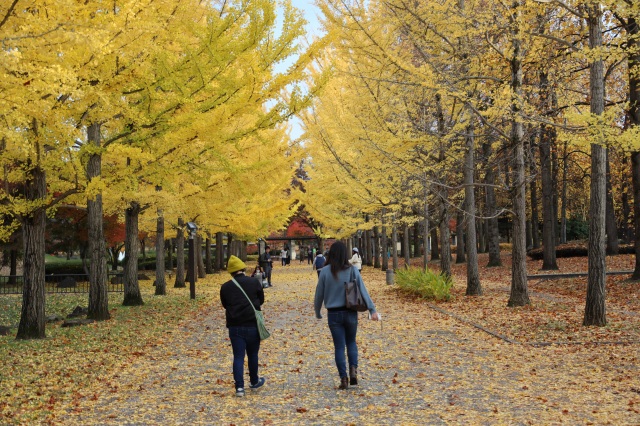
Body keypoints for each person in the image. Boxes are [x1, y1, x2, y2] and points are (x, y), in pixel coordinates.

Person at [314, 241, 380, 390]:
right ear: (346, 254)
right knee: (351, 342)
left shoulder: (324, 272)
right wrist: (372, 310)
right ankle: (353, 370)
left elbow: (319, 294)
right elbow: (363, 290)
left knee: (339, 346)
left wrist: (317, 311)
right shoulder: (352, 270)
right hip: (350, 312)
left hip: (333, 314)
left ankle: (343, 378)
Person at [219, 255, 266, 397]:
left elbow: (225, 305)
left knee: (238, 356)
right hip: (252, 324)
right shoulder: (253, 282)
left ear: (231, 272)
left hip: (235, 326)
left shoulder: (225, 287)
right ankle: (254, 381)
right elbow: (261, 300)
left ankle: (239, 388)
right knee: (253, 354)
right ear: (243, 269)